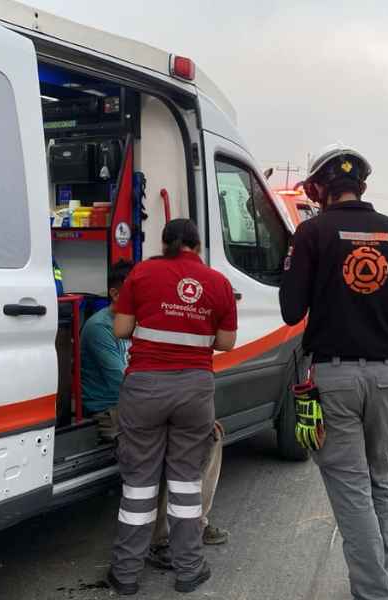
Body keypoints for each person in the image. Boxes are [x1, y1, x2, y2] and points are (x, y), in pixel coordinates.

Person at [279, 144, 388, 600]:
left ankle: (375, 592)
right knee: (377, 479)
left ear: (320, 189)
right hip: (385, 378)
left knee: (351, 489)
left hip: (335, 378)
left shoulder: (311, 233)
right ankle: (386, 582)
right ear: (361, 186)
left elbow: (291, 311)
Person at [109, 219, 238, 595]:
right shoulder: (218, 283)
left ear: (164, 244)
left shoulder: (141, 273)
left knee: (139, 485)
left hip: (145, 388)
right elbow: (227, 342)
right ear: (197, 246)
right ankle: (189, 569)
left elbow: (121, 329)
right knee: (185, 483)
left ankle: (126, 575)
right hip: (194, 391)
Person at [146, 420, 228, 570]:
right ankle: (160, 538)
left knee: (212, 435)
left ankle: (194, 524)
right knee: (175, 442)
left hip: (165, 413)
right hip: (131, 414)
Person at [80, 262, 132, 438]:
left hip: (130, 404)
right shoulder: (99, 327)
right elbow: (122, 381)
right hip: (108, 410)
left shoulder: (133, 320)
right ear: (115, 294)